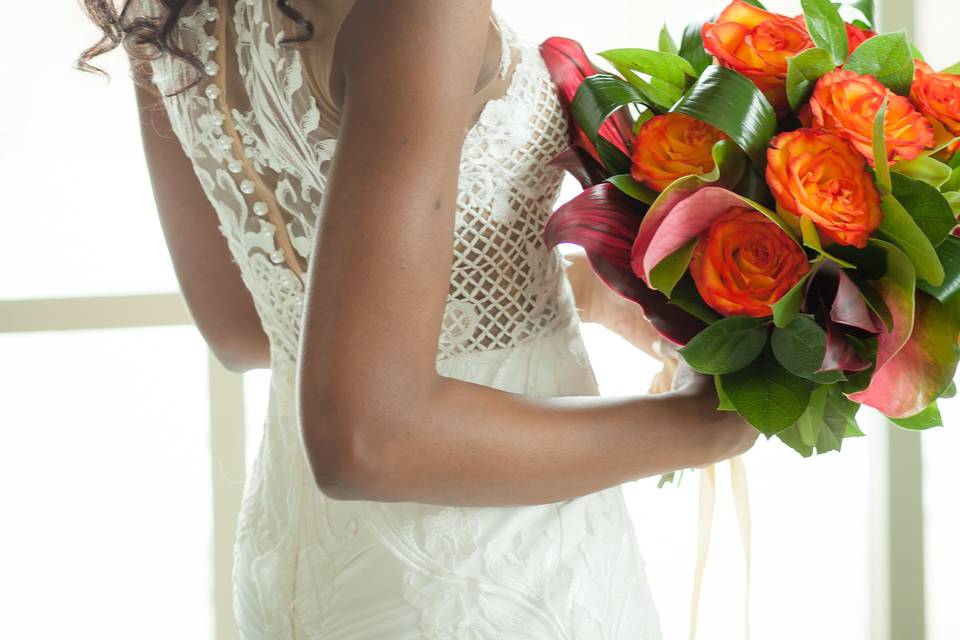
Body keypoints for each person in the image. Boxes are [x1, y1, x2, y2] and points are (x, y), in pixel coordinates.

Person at [79, 1, 757, 637]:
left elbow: (246, 325)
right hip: (490, 576)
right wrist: (704, 426)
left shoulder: (167, 12)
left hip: (294, 570)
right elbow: (369, 442)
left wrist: (574, 288)